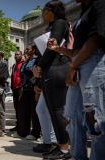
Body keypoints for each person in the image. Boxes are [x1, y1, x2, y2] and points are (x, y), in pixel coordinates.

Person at [47, 0, 105, 159]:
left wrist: (72, 68)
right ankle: (78, 156)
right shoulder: (83, 11)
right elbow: (77, 51)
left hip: (94, 64)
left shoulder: (99, 4)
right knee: (71, 118)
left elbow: (95, 40)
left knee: (96, 120)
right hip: (80, 64)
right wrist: (58, 49)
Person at [32, 0, 71, 159]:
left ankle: (64, 148)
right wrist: (38, 66)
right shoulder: (50, 27)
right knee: (52, 110)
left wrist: (40, 66)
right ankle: (60, 146)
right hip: (49, 70)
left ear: (52, 11)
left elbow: (52, 47)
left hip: (57, 68)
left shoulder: (60, 23)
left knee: (57, 110)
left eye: (44, 10)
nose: (42, 14)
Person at [12, 43, 41, 141]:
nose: (26, 51)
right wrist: (21, 89)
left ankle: (35, 133)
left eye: (28, 49)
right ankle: (23, 131)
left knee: (34, 111)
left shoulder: (37, 59)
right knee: (22, 110)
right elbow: (22, 75)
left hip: (33, 87)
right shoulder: (26, 61)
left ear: (33, 50)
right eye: (26, 49)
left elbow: (35, 73)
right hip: (25, 88)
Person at [0, 50, 9, 137]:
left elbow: (3, 77)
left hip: (0, 89)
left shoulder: (4, 65)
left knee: (0, 109)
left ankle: (2, 128)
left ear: (1, 57)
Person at [10, 50, 24, 132]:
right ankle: (18, 125)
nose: (16, 56)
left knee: (21, 109)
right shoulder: (14, 65)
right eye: (15, 55)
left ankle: (22, 127)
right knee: (16, 108)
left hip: (20, 88)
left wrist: (21, 89)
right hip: (14, 89)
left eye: (18, 54)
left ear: (21, 55)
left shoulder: (23, 64)